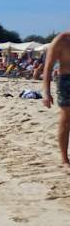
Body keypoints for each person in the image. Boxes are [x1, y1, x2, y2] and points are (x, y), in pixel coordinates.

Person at [41, 31, 70, 167]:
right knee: (65, 121)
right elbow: (48, 67)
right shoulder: (61, 40)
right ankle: (65, 160)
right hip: (67, 82)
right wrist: (46, 92)